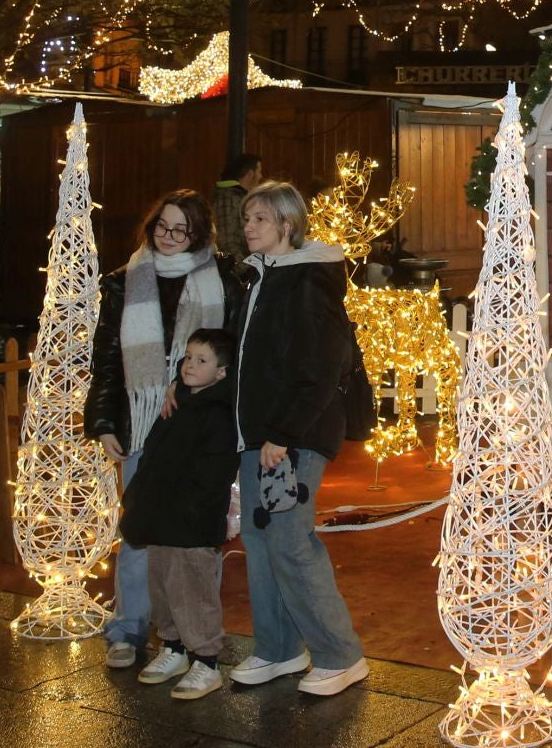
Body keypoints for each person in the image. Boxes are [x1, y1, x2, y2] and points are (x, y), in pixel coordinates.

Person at [84, 190, 243, 670]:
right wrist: (106, 420)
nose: (170, 238)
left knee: (195, 534)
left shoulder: (224, 282)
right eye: (163, 227)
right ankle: (130, 627)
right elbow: (108, 359)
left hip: (199, 426)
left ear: (199, 234)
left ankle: (194, 639)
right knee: (139, 529)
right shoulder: (123, 282)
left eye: (182, 230)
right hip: (141, 418)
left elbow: (231, 356)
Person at [228, 181, 367, 696]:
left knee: (289, 540)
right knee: (260, 540)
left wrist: (283, 433)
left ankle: (340, 653)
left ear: (287, 224)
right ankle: (279, 648)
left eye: (259, 218)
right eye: (247, 217)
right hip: (258, 433)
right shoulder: (259, 280)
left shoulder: (306, 284)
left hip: (291, 436)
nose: (248, 227)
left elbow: (320, 367)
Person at [119, 327, 240, 701]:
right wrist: (138, 499)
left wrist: (190, 509)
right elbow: (154, 455)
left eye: (201, 361)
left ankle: (206, 658)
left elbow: (213, 473)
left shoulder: (218, 414)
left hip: (191, 522)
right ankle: (173, 647)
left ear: (221, 372)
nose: (190, 366)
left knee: (193, 590)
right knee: (162, 584)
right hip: (161, 518)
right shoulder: (176, 404)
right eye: (188, 358)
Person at [212, 153, 263, 259]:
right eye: (259, 171)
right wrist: (245, 271)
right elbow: (226, 243)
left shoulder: (240, 197)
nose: (261, 176)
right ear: (250, 174)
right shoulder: (228, 198)